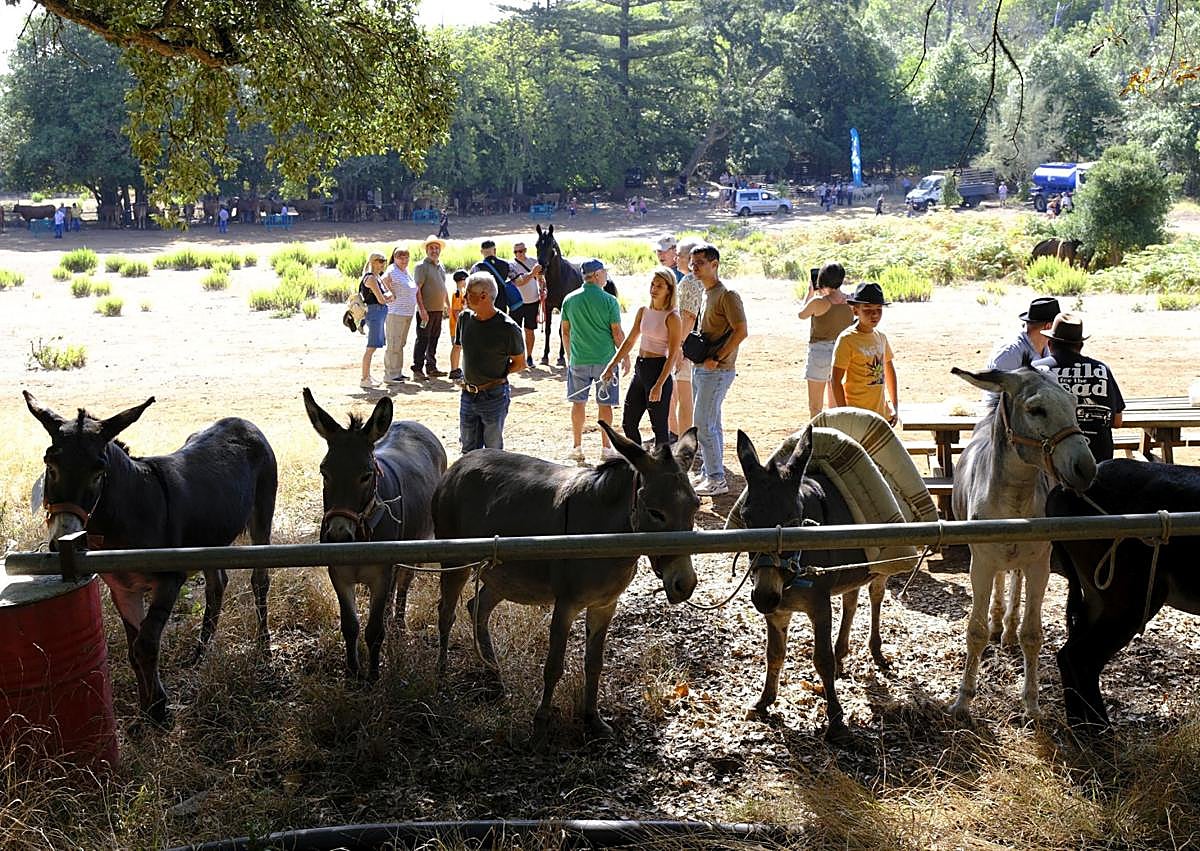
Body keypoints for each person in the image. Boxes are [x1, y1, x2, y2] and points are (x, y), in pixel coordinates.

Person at [688, 243, 749, 496]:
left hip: (717, 369)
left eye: (700, 263)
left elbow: (741, 330)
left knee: (703, 423)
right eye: (692, 263)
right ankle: (709, 474)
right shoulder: (706, 292)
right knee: (711, 422)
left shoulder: (727, 295)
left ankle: (716, 478)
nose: (694, 268)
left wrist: (718, 357)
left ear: (715, 264)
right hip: (703, 367)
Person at [601, 267, 682, 448]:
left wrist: (659, 384)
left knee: (660, 428)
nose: (653, 289)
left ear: (669, 289)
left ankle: (663, 470)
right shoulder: (643, 311)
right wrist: (611, 365)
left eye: (659, 286)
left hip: (658, 369)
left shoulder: (672, 317)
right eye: (653, 284)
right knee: (628, 423)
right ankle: (638, 463)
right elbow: (629, 341)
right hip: (641, 369)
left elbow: (673, 354)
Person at [1033, 313, 1125, 462]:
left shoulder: (1037, 371)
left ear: (1049, 344)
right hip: (1100, 464)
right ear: (1080, 345)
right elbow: (1117, 421)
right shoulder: (1102, 369)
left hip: (1053, 464)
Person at [561, 258, 627, 462]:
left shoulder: (570, 299)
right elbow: (616, 333)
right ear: (597, 275)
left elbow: (565, 331)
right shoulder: (609, 301)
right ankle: (606, 448)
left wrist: (569, 356)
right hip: (605, 361)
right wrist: (623, 356)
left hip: (579, 359)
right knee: (604, 405)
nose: (606, 276)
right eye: (604, 272)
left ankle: (577, 446)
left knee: (578, 403)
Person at [455, 272, 526, 451]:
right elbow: (458, 347)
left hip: (494, 396)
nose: (464, 298)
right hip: (467, 394)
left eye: (468, 293)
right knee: (468, 451)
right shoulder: (464, 319)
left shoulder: (508, 328)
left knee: (493, 453)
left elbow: (520, 363)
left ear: (484, 296)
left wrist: (497, 374)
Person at [831, 282, 898, 425]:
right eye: (867, 309)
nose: (874, 314)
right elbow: (835, 380)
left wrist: (894, 405)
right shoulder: (847, 339)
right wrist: (845, 414)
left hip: (880, 414)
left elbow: (889, 369)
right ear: (855, 311)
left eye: (879, 309)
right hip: (857, 415)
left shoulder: (881, 337)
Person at [798, 262, 855, 419]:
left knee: (815, 407)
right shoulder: (851, 301)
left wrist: (810, 293)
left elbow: (801, 314)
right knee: (835, 407)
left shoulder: (818, 302)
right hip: (841, 353)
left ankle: (816, 439)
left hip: (819, 353)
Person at [668, 237, 704, 443]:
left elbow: (688, 317)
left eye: (680, 255)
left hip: (688, 346)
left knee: (685, 398)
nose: (676, 258)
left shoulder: (689, 281)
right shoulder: (703, 279)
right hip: (699, 346)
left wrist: (678, 347)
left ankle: (685, 443)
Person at [987, 296, 1060, 371]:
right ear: (1048, 326)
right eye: (1058, 326)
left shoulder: (1047, 347)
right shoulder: (1010, 354)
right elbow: (993, 381)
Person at [412, 235, 449, 381]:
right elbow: (417, 289)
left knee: (434, 338)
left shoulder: (441, 267)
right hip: (425, 311)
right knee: (423, 339)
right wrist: (421, 309)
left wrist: (448, 305)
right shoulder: (421, 267)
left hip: (438, 310)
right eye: (431, 248)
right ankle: (417, 369)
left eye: (436, 248)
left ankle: (431, 367)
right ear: (426, 250)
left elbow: (443, 287)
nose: (434, 251)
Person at [358, 253, 394, 389]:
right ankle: (364, 378)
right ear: (373, 262)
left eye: (384, 261)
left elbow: (386, 295)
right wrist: (388, 298)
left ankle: (367, 376)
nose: (383, 263)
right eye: (380, 261)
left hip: (378, 313)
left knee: (373, 346)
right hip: (375, 313)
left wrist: (387, 297)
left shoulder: (376, 277)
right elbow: (382, 298)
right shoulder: (371, 278)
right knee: (371, 347)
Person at [383, 246, 418, 383]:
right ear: (395, 258)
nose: (404, 260)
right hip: (395, 312)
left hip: (407, 313)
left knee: (400, 343)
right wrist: (390, 292)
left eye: (406, 257)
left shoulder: (405, 272)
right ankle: (390, 374)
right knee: (393, 343)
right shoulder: (392, 269)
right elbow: (383, 279)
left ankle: (397, 372)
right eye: (400, 257)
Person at [508, 240, 543, 365]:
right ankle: (519, 356)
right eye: (516, 252)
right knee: (515, 331)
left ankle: (529, 356)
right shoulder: (511, 266)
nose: (519, 254)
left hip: (533, 301)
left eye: (521, 251)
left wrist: (543, 288)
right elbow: (519, 282)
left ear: (525, 250)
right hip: (516, 303)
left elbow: (541, 279)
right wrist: (532, 273)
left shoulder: (533, 262)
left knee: (530, 330)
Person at [471, 240, 512, 314]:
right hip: (502, 300)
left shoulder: (477, 267)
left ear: (481, 252)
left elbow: (471, 286)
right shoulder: (506, 264)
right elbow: (518, 280)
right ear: (495, 250)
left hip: (485, 301)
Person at [448, 269, 469, 381]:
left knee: (460, 347)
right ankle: (454, 369)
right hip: (456, 326)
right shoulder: (457, 294)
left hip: (459, 325)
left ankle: (458, 369)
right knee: (457, 347)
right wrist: (461, 324)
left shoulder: (461, 292)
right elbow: (456, 311)